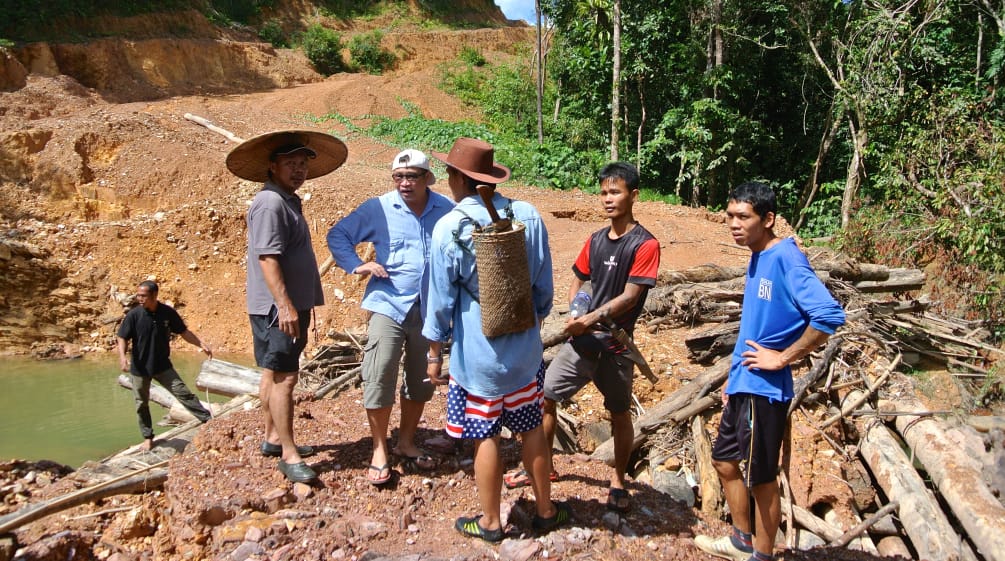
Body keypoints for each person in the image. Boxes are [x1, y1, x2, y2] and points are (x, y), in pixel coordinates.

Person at [422, 137, 570, 542]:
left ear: (456, 177)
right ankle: (545, 510)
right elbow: (543, 287)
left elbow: (439, 298)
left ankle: (490, 522)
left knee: (484, 435)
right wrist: (529, 321)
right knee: (532, 429)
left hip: (477, 358)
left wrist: (434, 352)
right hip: (524, 354)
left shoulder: (449, 226)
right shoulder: (528, 215)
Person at [694, 182, 845, 561]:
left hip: (767, 389)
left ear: (769, 219)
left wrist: (782, 357)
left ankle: (763, 555)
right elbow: (754, 326)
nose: (733, 224)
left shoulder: (786, 259)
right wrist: (733, 374)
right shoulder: (757, 256)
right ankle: (741, 540)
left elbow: (828, 315)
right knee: (725, 461)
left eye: (743, 217)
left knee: (761, 477)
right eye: (730, 216)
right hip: (746, 382)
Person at [510, 162, 659, 514]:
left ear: (633, 195)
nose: (608, 199)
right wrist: (574, 307)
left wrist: (588, 318)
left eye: (616, 192)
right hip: (582, 343)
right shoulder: (594, 240)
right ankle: (545, 467)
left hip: (616, 345)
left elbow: (630, 297)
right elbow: (578, 277)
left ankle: (619, 480)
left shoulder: (645, 243)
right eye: (604, 192)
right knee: (546, 397)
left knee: (619, 413)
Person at [226, 129, 348, 483]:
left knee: (272, 371)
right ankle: (289, 454)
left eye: (302, 164)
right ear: (272, 166)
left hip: (281, 305)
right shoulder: (270, 203)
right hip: (277, 308)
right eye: (290, 164)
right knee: (285, 377)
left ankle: (273, 438)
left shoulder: (286, 199)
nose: (298, 170)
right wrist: (286, 305)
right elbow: (267, 257)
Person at [327, 149, 454, 485]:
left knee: (420, 380)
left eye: (412, 176)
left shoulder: (447, 211)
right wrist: (358, 264)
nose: (405, 183)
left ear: (428, 179)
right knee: (379, 371)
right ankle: (380, 449)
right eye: (399, 177)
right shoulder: (379, 208)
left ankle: (407, 442)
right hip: (389, 303)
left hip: (430, 311)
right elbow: (338, 235)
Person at [116, 280, 214, 451]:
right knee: (141, 403)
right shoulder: (134, 315)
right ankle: (148, 437)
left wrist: (201, 344)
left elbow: (183, 332)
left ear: (154, 295)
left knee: (183, 393)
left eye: (143, 296)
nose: (139, 299)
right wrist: (122, 357)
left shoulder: (167, 313)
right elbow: (122, 337)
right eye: (138, 295)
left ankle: (209, 422)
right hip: (139, 369)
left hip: (162, 366)